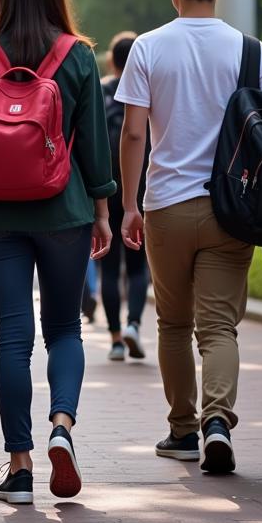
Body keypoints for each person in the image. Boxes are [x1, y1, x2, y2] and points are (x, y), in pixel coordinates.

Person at [0, 0, 115, 506]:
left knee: (12, 338)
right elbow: (94, 142)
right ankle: (62, 427)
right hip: (63, 211)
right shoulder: (77, 56)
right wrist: (102, 209)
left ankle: (19, 468)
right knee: (65, 329)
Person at [117, 0, 262, 475]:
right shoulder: (251, 51)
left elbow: (134, 134)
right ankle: (218, 422)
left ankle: (183, 430)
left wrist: (128, 205)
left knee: (171, 324)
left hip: (165, 204)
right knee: (218, 328)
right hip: (230, 209)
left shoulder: (148, 47)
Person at [99, 32, 149, 362]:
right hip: (140, 186)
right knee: (136, 264)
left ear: (112, 61)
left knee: (107, 265)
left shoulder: (100, 90)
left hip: (105, 189)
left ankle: (116, 339)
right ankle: (133, 323)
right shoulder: (146, 90)